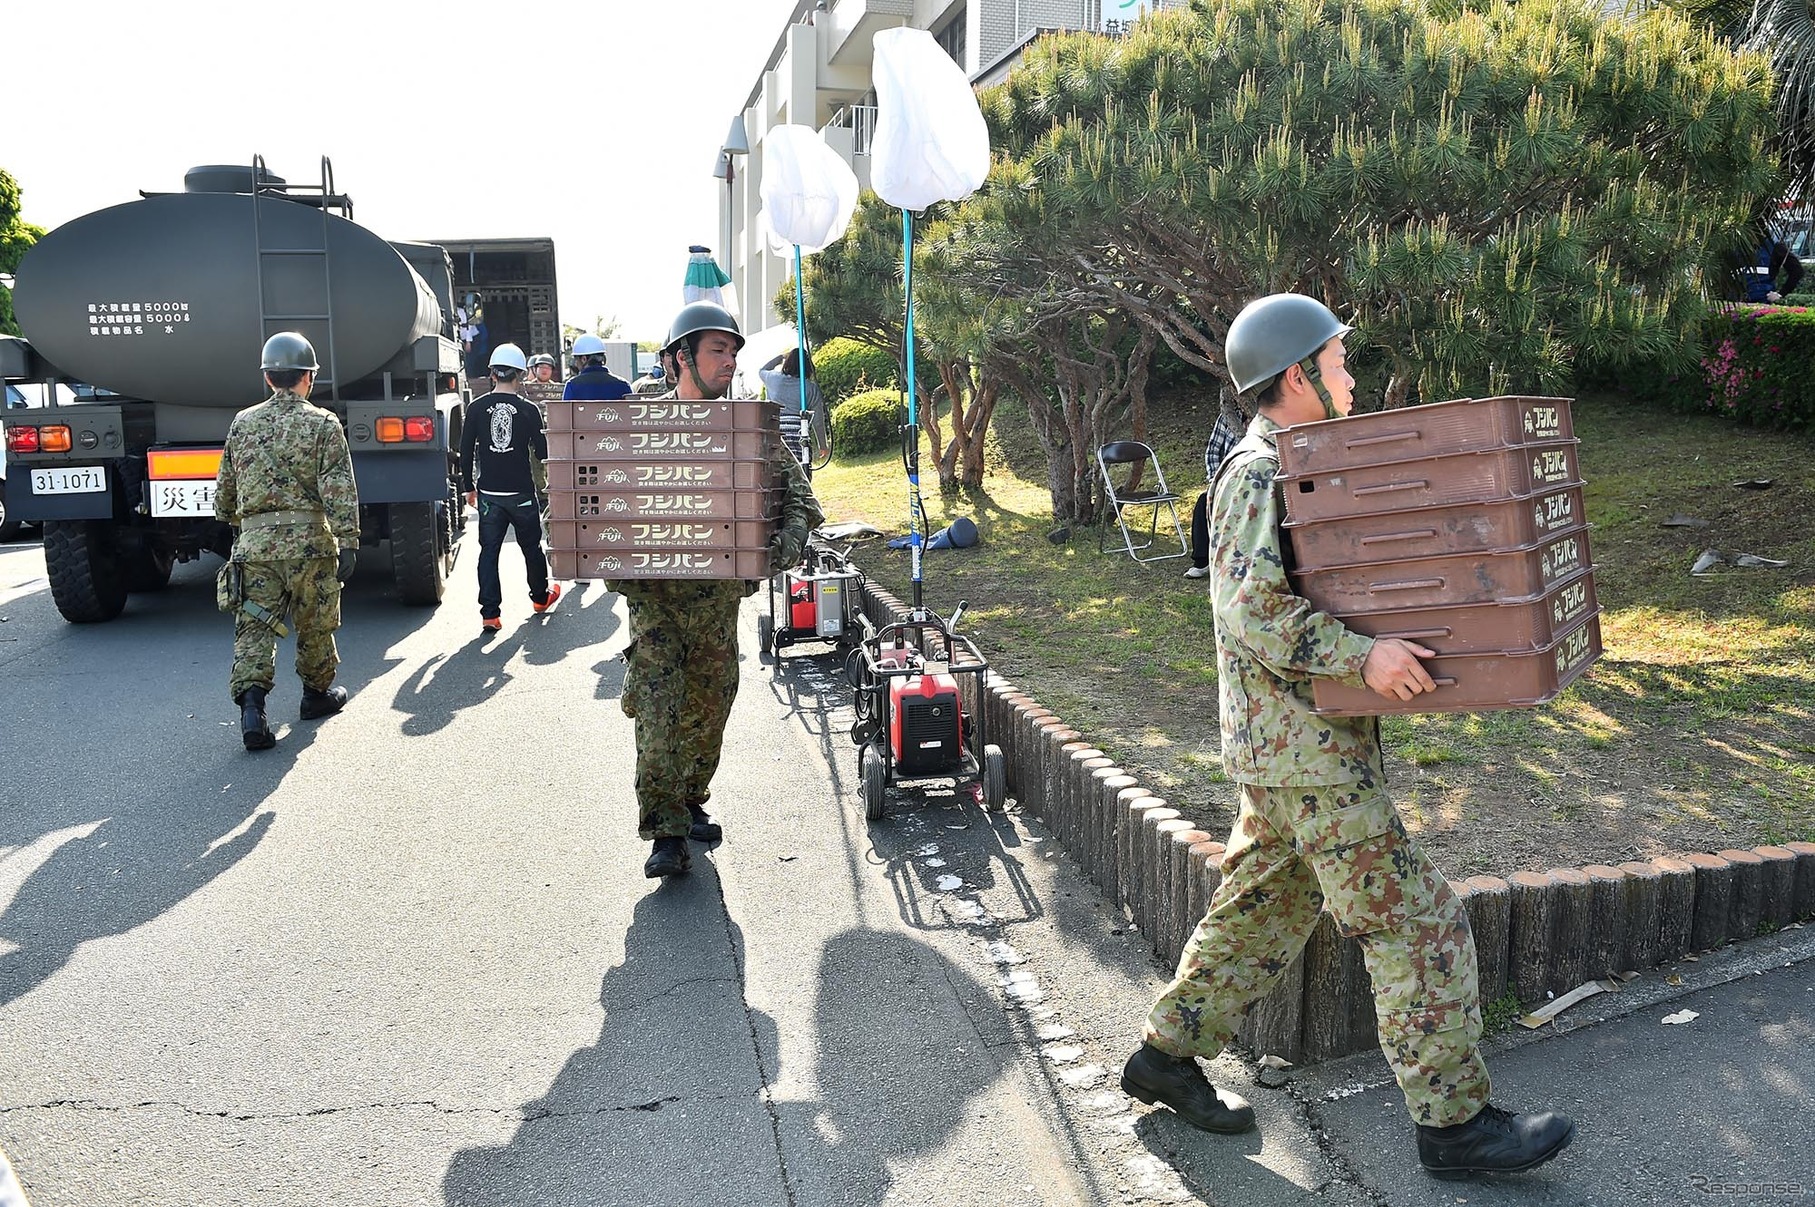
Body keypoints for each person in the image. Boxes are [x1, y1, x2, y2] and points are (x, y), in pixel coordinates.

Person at [1120, 293, 1575, 1181]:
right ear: (1296, 376)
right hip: (1306, 755)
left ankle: (1164, 1057)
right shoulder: (1257, 475)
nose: (1350, 376)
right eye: (1337, 362)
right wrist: (1362, 657)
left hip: (1291, 748)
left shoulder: (1292, 462)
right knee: (1417, 923)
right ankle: (1454, 1126)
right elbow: (1248, 609)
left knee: (1261, 907)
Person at [614, 302, 823, 880]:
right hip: (654, 605)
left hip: (716, 606)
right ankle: (664, 831)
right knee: (657, 714)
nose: (730, 362)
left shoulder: (747, 429)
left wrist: (776, 552)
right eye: (717, 350)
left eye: (733, 352)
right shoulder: (638, 429)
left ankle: (686, 800)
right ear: (681, 357)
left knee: (710, 711)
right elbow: (599, 501)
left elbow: (804, 502)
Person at [214, 331, 359, 751]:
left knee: (254, 626)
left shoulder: (243, 422)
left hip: (256, 547)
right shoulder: (323, 423)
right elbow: (338, 488)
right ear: (307, 378)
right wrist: (348, 538)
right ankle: (316, 695)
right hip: (311, 545)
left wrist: (237, 524)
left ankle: (253, 708)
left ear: (268, 378)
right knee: (315, 623)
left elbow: (225, 492)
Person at [460, 343, 560, 633]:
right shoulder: (529, 410)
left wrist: (469, 488)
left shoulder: (476, 408)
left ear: (492, 374)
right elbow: (543, 453)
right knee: (531, 547)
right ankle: (540, 598)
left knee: (489, 552)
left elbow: (466, 452)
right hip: (522, 495)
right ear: (519, 375)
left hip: (490, 495)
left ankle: (490, 614)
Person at [1182, 398, 1245, 579]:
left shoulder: (1265, 417)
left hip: (1255, 479)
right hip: (1226, 479)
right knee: (1204, 501)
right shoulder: (1228, 417)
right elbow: (1212, 451)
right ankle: (1202, 562)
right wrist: (1215, 480)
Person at [759, 346, 827, 468]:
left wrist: (781, 357)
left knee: (776, 471)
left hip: (776, 429)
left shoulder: (773, 379)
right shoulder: (811, 387)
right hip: (799, 431)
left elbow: (762, 370)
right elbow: (818, 421)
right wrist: (823, 445)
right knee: (801, 470)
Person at [562, 333, 632, 401]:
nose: (576, 363)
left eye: (576, 359)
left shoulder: (572, 385)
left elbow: (565, 411)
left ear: (584, 359)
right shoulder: (624, 385)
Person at [1742, 232, 1804, 303]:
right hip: (1735, 302)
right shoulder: (1736, 246)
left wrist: (1780, 294)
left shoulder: (1775, 247)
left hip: (1763, 303)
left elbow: (1797, 271)